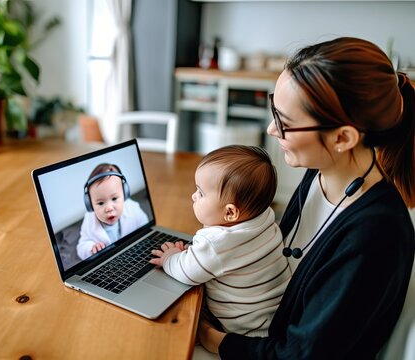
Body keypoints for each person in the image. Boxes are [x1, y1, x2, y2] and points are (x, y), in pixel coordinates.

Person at [198, 37, 415, 359]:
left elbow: (299, 354)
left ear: (342, 137)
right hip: (257, 327)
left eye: (286, 122)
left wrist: (209, 336)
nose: (272, 129)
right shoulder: (320, 172)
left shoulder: (376, 234)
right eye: (275, 112)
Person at [150, 145, 291, 336]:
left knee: (178, 324)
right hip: (273, 315)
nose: (193, 196)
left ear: (230, 212)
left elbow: (187, 272)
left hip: (244, 328)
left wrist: (170, 257)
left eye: (200, 193)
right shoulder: (264, 216)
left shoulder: (217, 243)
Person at [76, 163, 149, 260]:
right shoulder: (89, 221)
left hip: (133, 255)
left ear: (125, 193)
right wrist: (91, 248)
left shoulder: (132, 208)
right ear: (90, 204)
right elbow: (81, 247)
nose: (109, 208)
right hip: (108, 262)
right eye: (101, 203)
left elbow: (145, 226)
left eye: (114, 198)